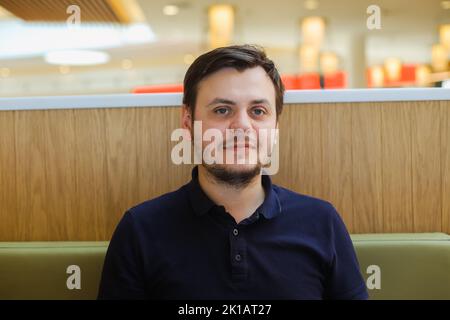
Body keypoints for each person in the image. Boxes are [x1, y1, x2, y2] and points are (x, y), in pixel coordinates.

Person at [98, 44, 368, 300]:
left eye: (258, 111)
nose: (242, 126)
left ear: (275, 127)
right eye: (222, 110)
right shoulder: (140, 229)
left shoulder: (322, 222)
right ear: (188, 122)